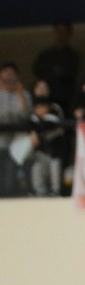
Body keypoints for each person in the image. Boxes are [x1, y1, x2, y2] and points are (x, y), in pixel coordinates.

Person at [32, 20, 80, 113]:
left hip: (66, 97)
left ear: (69, 34)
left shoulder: (73, 55)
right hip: (47, 97)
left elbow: (70, 73)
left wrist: (56, 72)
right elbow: (36, 70)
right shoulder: (45, 54)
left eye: (64, 32)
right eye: (58, 31)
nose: (61, 35)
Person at [0, 62, 30, 197]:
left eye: (12, 74)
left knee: (10, 179)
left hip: (17, 143)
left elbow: (24, 115)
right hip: (1, 141)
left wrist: (19, 94)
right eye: (5, 73)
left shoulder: (24, 94)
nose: (9, 77)